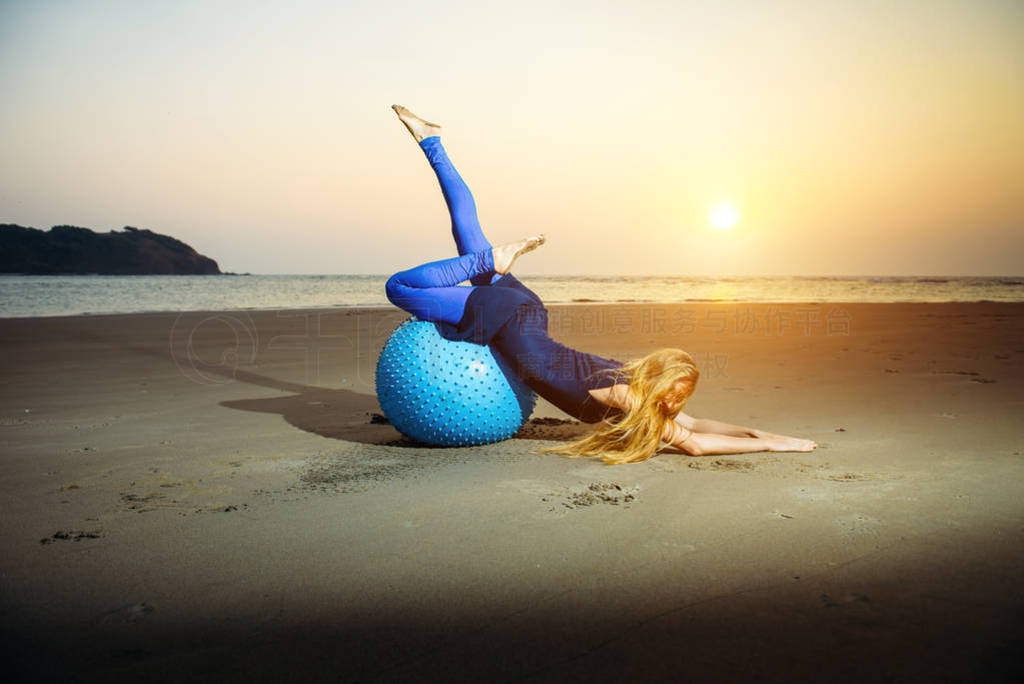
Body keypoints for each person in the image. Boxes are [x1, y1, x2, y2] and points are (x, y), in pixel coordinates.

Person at [385, 105, 817, 464]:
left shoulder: (631, 383)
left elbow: (700, 426)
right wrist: (774, 446)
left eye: (681, 399)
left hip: (526, 310)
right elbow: (696, 444)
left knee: (466, 229)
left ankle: (433, 142)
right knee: (400, 288)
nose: (677, 406)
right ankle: (487, 258)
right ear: (660, 383)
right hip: (511, 316)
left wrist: (769, 435)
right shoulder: (627, 396)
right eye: (676, 395)